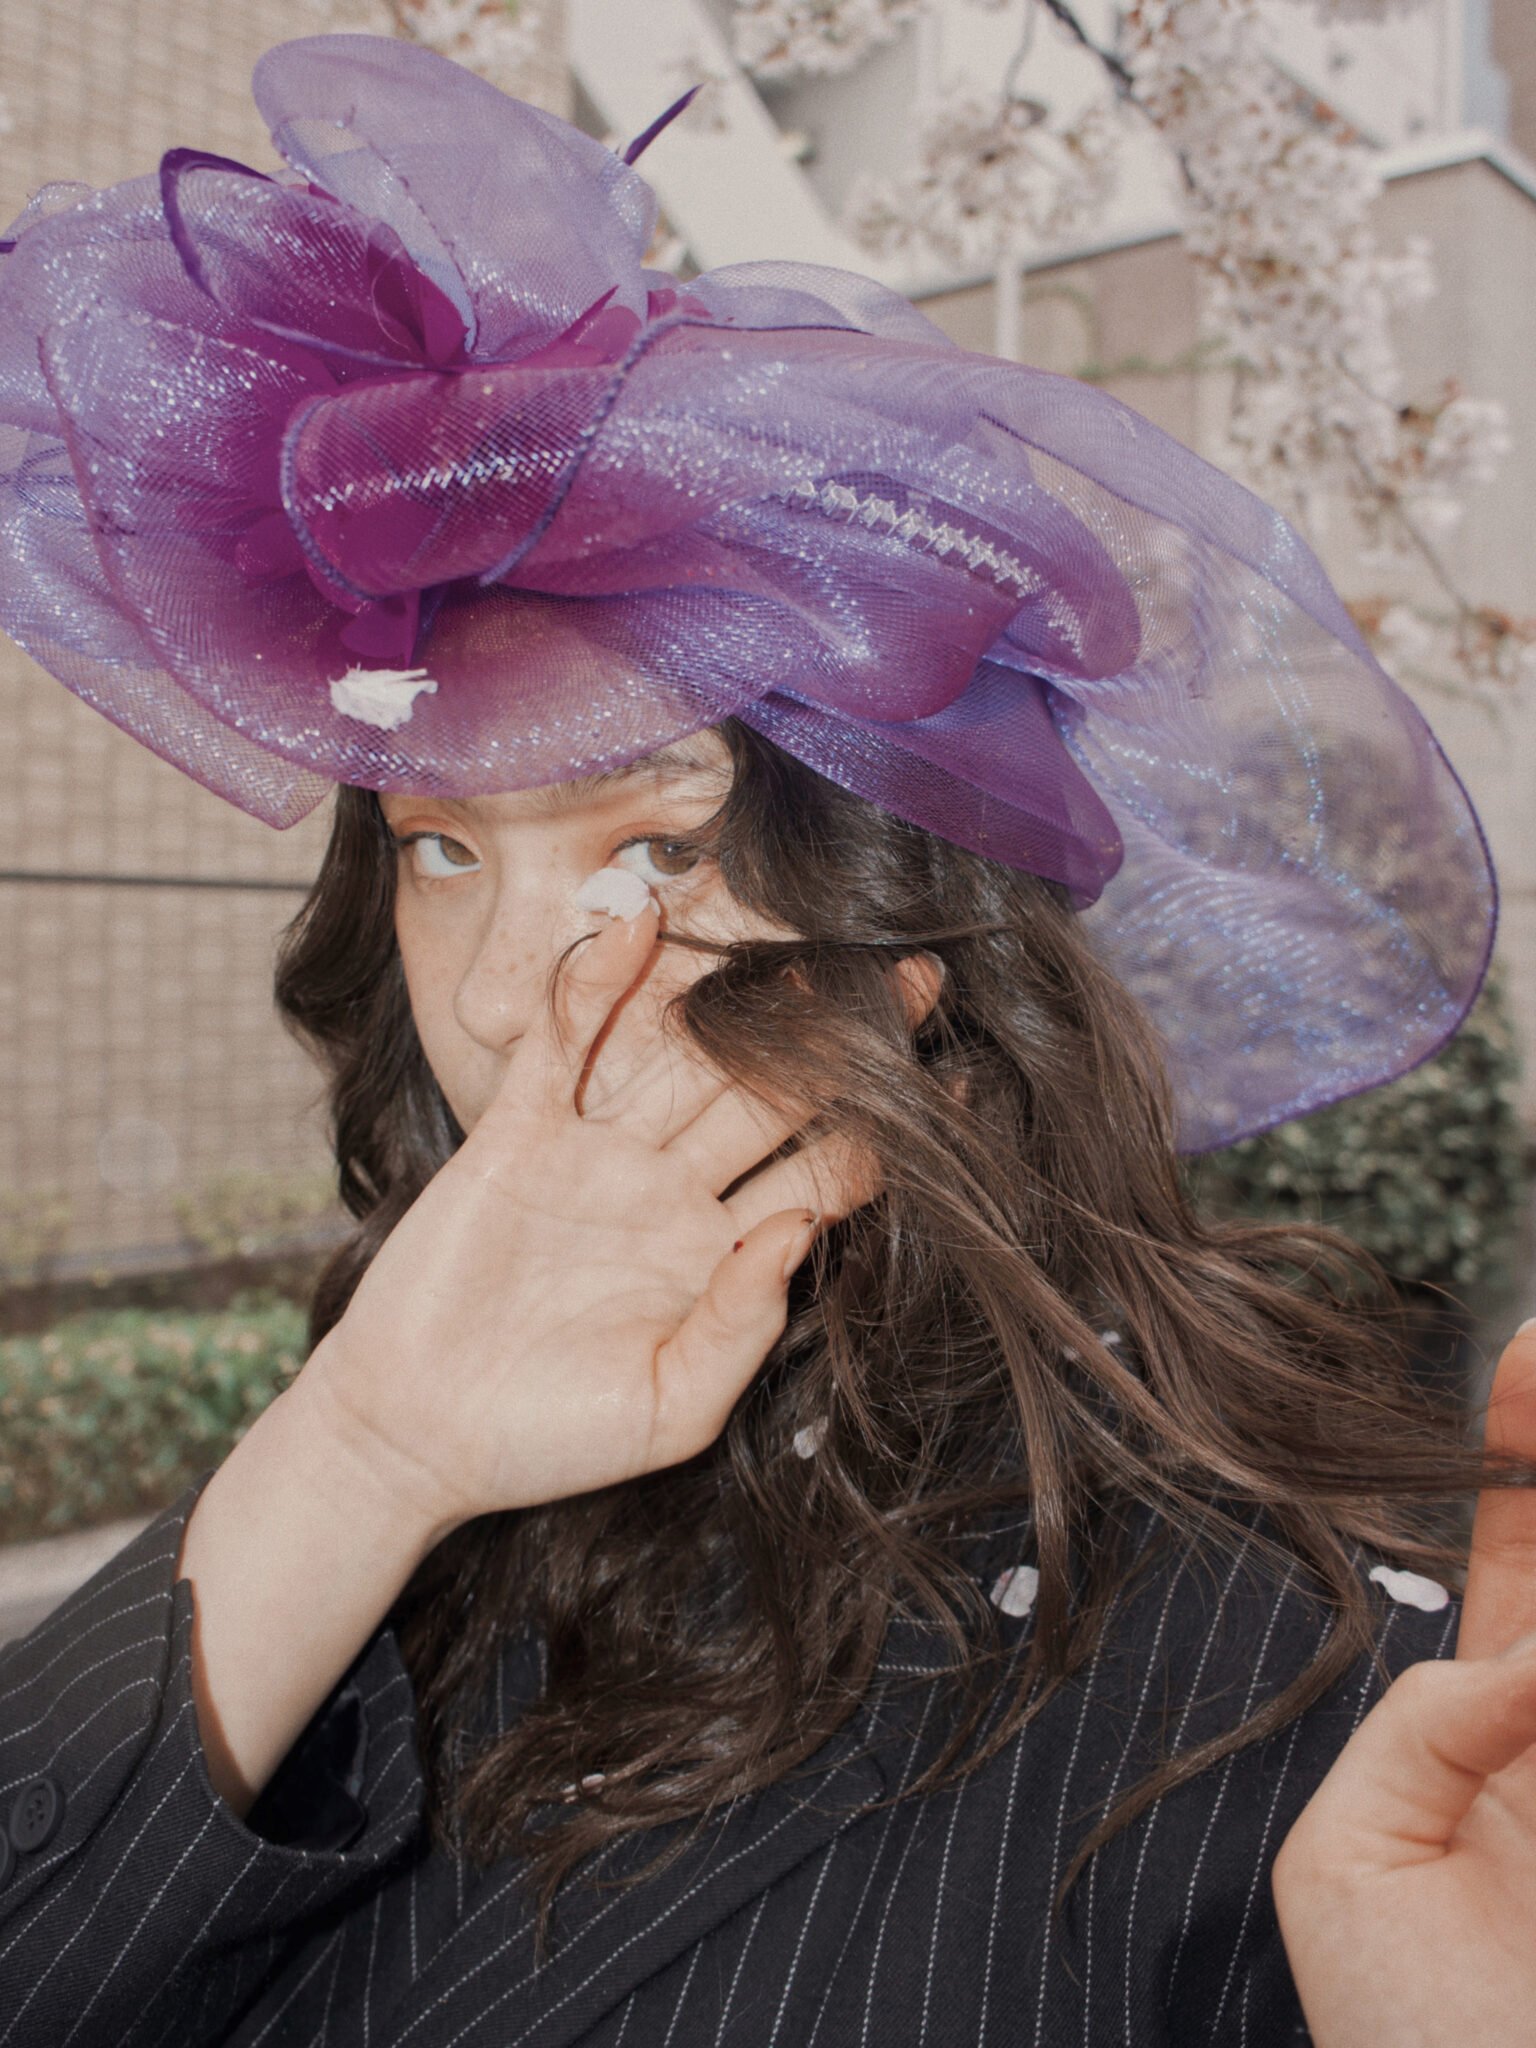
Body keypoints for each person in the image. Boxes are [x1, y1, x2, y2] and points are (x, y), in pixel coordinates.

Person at [0, 31, 1530, 2046]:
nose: (497, 988)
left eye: (656, 835)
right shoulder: (369, 1506)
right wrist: (358, 1457)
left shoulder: (1323, 1684)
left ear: (931, 925)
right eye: (438, 848)